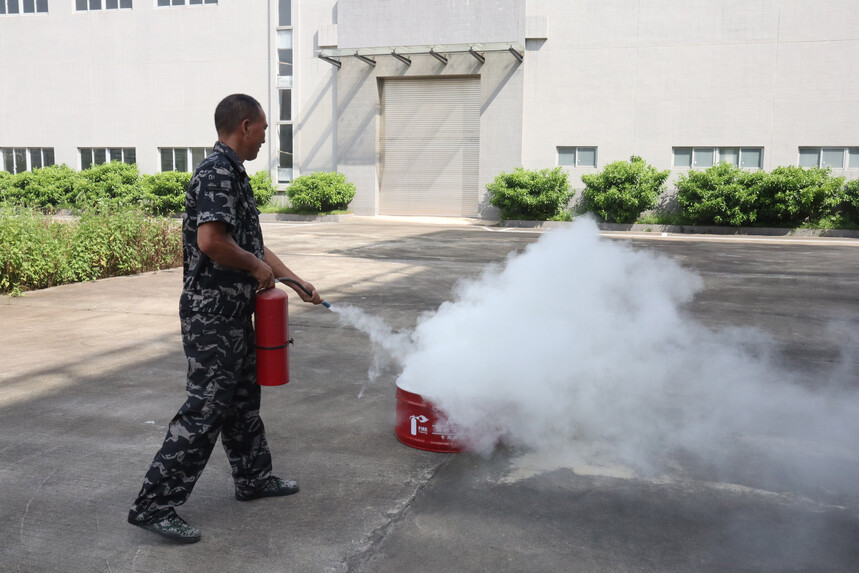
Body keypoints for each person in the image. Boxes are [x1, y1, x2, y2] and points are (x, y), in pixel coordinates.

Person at [128, 94, 323, 544]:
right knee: (205, 411)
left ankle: (253, 478)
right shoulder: (216, 172)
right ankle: (153, 504)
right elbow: (212, 240)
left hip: (234, 314)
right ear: (245, 125)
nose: (266, 138)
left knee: (241, 402)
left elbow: (252, 246)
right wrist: (256, 269)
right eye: (264, 129)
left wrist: (293, 280)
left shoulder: (233, 174)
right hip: (212, 316)